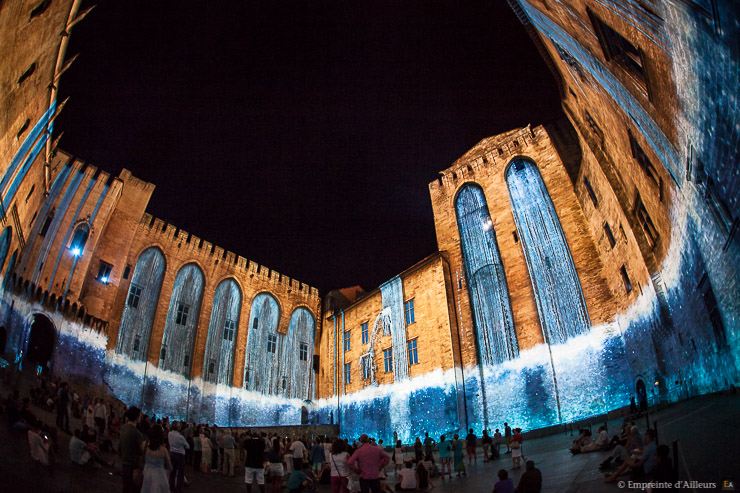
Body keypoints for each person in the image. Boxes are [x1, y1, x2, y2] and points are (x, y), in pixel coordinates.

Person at [141, 424, 172, 493]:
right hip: (160, 476)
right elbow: (169, 467)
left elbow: (143, 458)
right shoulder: (163, 450)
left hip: (147, 474)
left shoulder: (144, 445)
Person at [120, 406, 144, 493]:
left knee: (126, 488)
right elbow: (142, 450)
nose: (141, 417)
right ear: (137, 417)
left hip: (124, 462)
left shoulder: (124, 427)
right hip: (133, 465)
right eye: (140, 416)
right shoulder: (136, 433)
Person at [168, 421, 189, 493]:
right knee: (180, 473)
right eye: (179, 425)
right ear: (177, 427)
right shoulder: (180, 437)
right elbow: (187, 446)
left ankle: (171, 487)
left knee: (172, 471)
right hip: (180, 455)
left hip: (172, 454)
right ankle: (179, 489)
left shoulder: (169, 434)